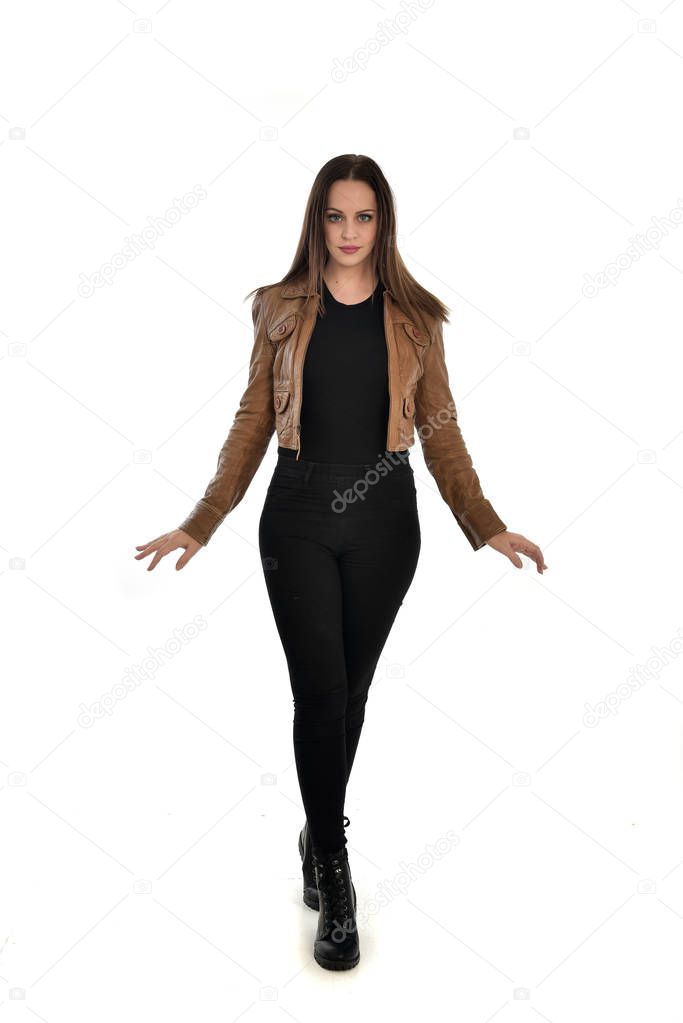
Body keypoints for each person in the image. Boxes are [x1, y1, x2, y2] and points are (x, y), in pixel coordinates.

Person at [134, 154, 548, 971]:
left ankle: (312, 825)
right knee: (319, 694)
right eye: (335, 216)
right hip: (295, 514)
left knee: (351, 695)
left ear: (382, 223)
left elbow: (441, 431)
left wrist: (485, 522)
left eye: (363, 218)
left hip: (386, 517)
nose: (349, 232)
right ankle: (335, 865)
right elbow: (253, 418)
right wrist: (202, 518)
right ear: (315, 221)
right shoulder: (279, 308)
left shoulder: (416, 316)